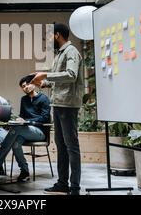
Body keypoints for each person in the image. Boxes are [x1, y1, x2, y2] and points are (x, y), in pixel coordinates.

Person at [31, 23, 84, 195]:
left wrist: (46, 74)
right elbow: (59, 81)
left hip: (68, 106)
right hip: (59, 104)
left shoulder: (71, 52)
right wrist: (43, 83)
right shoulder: (61, 54)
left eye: (49, 37)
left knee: (71, 146)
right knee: (61, 146)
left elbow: (71, 75)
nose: (48, 41)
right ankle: (62, 184)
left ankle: (74, 187)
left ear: (57, 35)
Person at [0, 75, 51, 182]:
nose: (26, 87)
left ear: (33, 84)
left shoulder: (43, 99)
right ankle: (24, 171)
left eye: (28, 84)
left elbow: (45, 117)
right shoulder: (24, 100)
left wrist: (28, 121)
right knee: (16, 142)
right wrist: (19, 119)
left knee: (18, 128)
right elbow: (22, 116)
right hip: (25, 130)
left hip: (40, 131)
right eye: (23, 86)